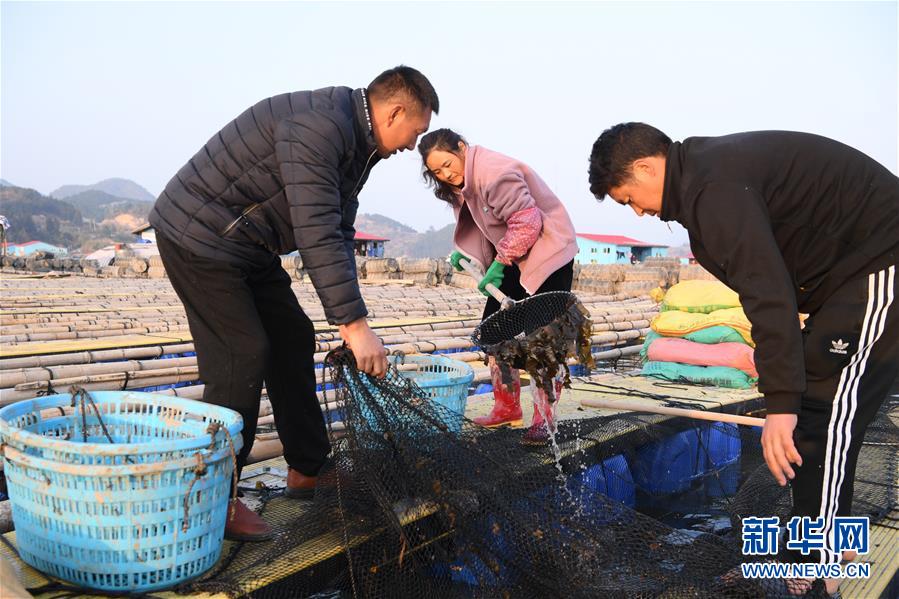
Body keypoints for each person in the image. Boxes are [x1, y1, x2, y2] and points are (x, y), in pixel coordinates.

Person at [588, 123, 898, 595]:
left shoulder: (713, 189)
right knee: (819, 406)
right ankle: (825, 545)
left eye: (629, 197)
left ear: (647, 167)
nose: (638, 211)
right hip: (847, 280)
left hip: (881, 260)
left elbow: (767, 292)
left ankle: (819, 560)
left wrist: (781, 405)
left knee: (828, 408)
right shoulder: (705, 181)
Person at [149, 66, 439, 541]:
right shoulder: (319, 127)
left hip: (248, 244)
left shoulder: (358, 144)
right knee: (242, 353)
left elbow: (339, 230)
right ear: (395, 112)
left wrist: (353, 320)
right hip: (200, 236)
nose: (414, 144)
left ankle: (308, 468)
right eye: (416, 131)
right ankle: (214, 497)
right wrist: (354, 326)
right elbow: (316, 230)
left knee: (293, 337)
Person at [418, 128, 579, 444]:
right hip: (514, 256)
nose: (446, 175)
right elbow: (484, 226)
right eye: (436, 171)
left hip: (548, 252)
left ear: (461, 147)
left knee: (544, 338)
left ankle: (544, 421)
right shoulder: (463, 184)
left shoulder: (494, 173)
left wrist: (499, 264)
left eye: (447, 164)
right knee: (493, 332)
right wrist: (469, 255)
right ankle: (507, 407)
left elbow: (527, 222)